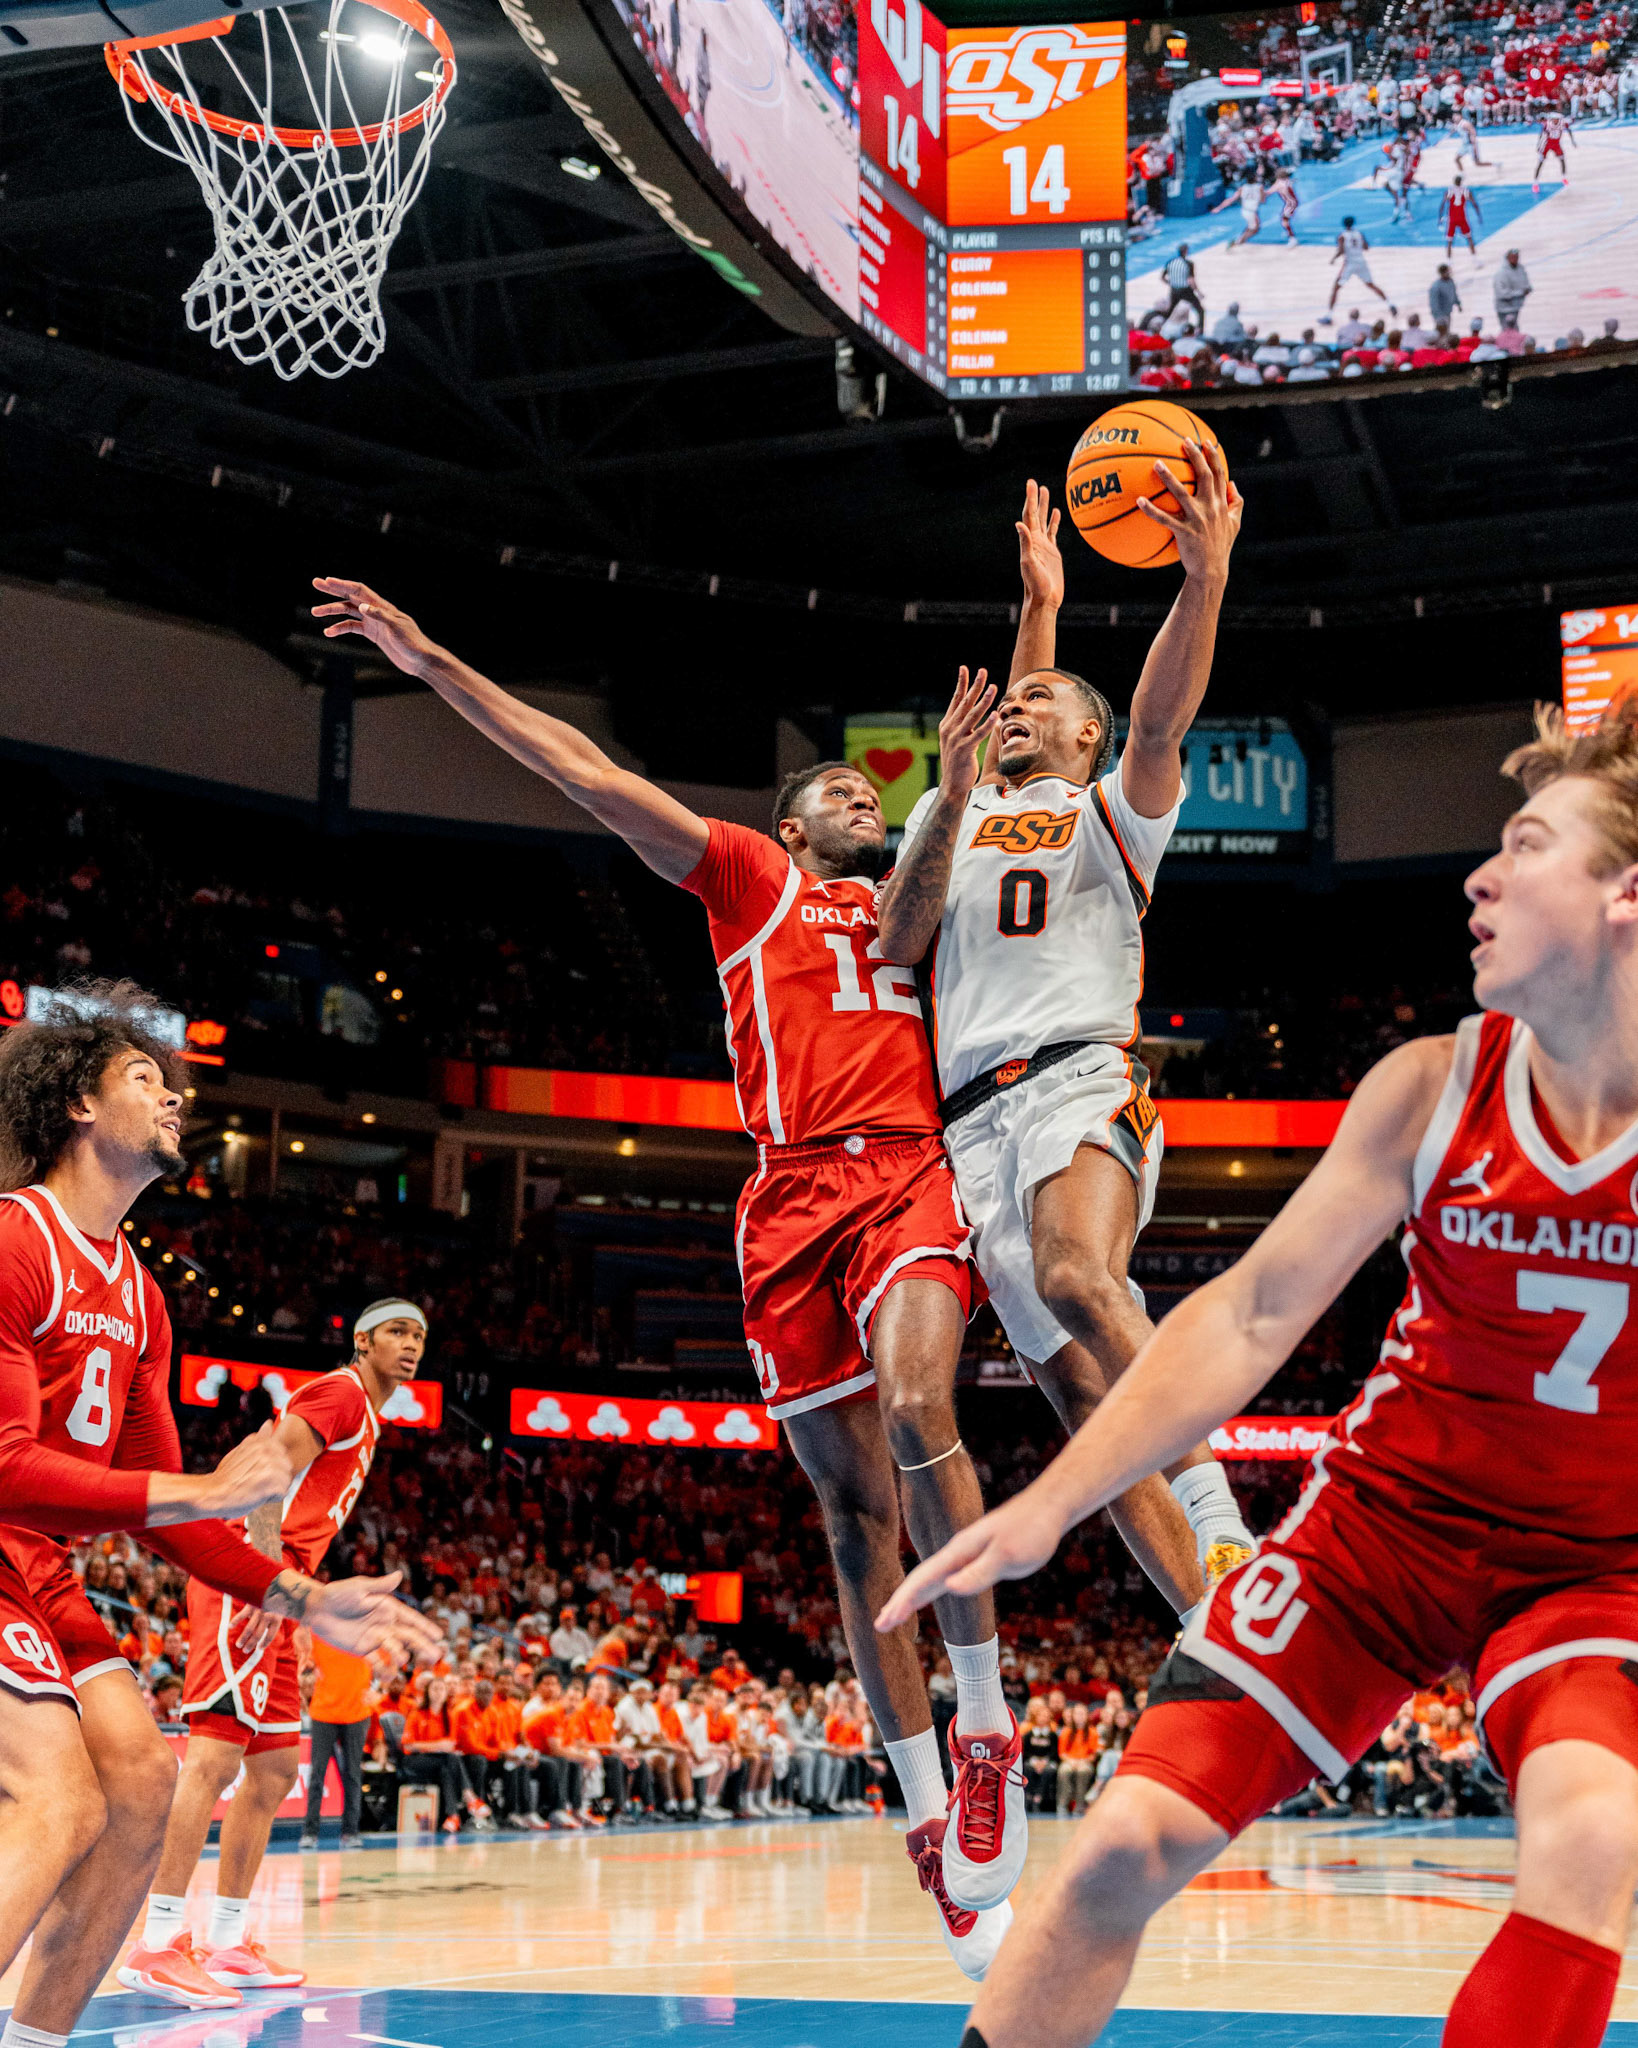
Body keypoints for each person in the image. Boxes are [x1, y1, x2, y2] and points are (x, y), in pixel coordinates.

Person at [307, 573, 1041, 1972]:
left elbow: (994, 787)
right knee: (845, 1516)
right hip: (785, 1196)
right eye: (835, 793)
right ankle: (932, 1815)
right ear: (784, 825)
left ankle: (989, 1714)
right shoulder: (749, 882)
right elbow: (577, 764)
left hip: (904, 1169)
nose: (857, 805)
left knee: (916, 1411)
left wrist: (966, 753)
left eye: (869, 803)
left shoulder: (917, 900)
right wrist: (429, 653)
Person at [880, 698, 1638, 2048]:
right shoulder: (1428, 1084)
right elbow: (1246, 1316)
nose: (1478, 874)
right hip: (1381, 1532)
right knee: (1119, 1850)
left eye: (1523, 843)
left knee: (1590, 1843)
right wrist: (1051, 1501)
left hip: (1595, 1567)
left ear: (1624, 896)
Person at [877, 454, 1255, 1693]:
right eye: (1019, 705)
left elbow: (1152, 718)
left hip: (1078, 1077)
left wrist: (1201, 579)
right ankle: (1219, 1635)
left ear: (1086, 737)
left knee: (1080, 1273)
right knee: (1087, 1420)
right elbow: (904, 929)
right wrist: (1035, 602)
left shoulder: (1113, 811)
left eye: (1051, 705)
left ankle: (1226, 1515)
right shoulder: (961, 812)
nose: (1025, 710)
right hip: (971, 1126)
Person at [0, 982, 441, 2039]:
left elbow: (170, 1513)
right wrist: (200, 1489)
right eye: (146, 1077)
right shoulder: (16, 1238)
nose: (174, 1100)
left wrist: (302, 1594)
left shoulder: (141, 1293)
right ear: (75, 1103)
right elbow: (9, 1464)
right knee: (62, 1800)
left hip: (41, 1567)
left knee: (146, 1784)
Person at [128, 1297, 432, 2001]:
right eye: (396, 1331)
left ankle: (228, 1941)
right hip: (253, 1576)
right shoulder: (340, 1392)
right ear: (363, 1341)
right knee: (212, 1759)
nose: (410, 1344)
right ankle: (157, 1942)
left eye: (418, 1334)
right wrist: (266, 1578)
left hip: (286, 1590)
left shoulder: (368, 1413)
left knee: (269, 1774)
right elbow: (265, 1467)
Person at [300, 1638, 375, 1849]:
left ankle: (350, 1832)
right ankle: (310, 1832)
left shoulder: (366, 1635)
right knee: (317, 1774)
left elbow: (387, 1664)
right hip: (324, 1712)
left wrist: (378, 1689)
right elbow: (304, 1661)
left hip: (356, 1713)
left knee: (352, 1774)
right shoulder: (318, 1635)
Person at [1329, 217, 1388, 308]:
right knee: (1371, 285)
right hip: (1361, 262)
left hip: (1350, 264)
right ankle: (1390, 304)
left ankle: (1329, 315)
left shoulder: (1342, 236)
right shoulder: (1359, 234)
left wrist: (1333, 259)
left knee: (1336, 288)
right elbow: (1366, 247)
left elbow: (1341, 250)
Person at [1158, 246, 1203, 324]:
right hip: (1186, 290)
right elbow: (1191, 280)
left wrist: (1171, 283)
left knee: (1170, 311)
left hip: (1174, 290)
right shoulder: (1188, 263)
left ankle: (1161, 326)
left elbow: (1162, 278)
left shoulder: (1170, 262)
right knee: (1200, 310)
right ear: (1186, 251)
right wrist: (1198, 292)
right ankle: (1200, 329)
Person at [1441, 175, 1482, 258]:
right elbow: (1475, 204)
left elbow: (1442, 205)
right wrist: (1479, 216)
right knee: (1469, 238)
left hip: (1452, 219)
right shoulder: (1466, 191)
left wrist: (1440, 218)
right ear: (1461, 182)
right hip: (1462, 218)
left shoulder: (1449, 191)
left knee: (1449, 241)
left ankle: (1449, 262)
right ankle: (1475, 259)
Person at [1535, 107, 1574, 187]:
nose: (1554, 120)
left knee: (1562, 159)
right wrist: (1539, 145)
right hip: (1547, 144)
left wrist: (1572, 141)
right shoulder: (1547, 124)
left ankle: (1564, 177)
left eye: (1556, 119)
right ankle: (1535, 182)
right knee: (1541, 162)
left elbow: (1569, 130)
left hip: (1556, 144)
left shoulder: (1563, 123)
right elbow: (1541, 135)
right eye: (1553, 119)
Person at [1494, 248, 1533, 327]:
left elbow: (1525, 282)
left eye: (1516, 257)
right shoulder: (1501, 273)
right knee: (1508, 330)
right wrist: (1520, 293)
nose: (1515, 259)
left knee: (1514, 329)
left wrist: (1528, 288)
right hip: (1505, 308)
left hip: (1516, 307)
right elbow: (1501, 294)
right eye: (1513, 257)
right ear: (1507, 258)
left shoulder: (1520, 269)